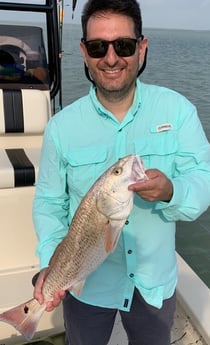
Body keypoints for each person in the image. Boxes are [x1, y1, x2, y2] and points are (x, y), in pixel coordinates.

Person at [32, 0, 210, 344]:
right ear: (84, 52)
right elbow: (49, 204)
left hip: (153, 286)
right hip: (87, 287)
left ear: (141, 48)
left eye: (123, 46)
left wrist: (172, 190)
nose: (111, 58)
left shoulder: (179, 111)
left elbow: (204, 176)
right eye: (98, 47)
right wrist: (50, 266)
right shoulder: (60, 128)